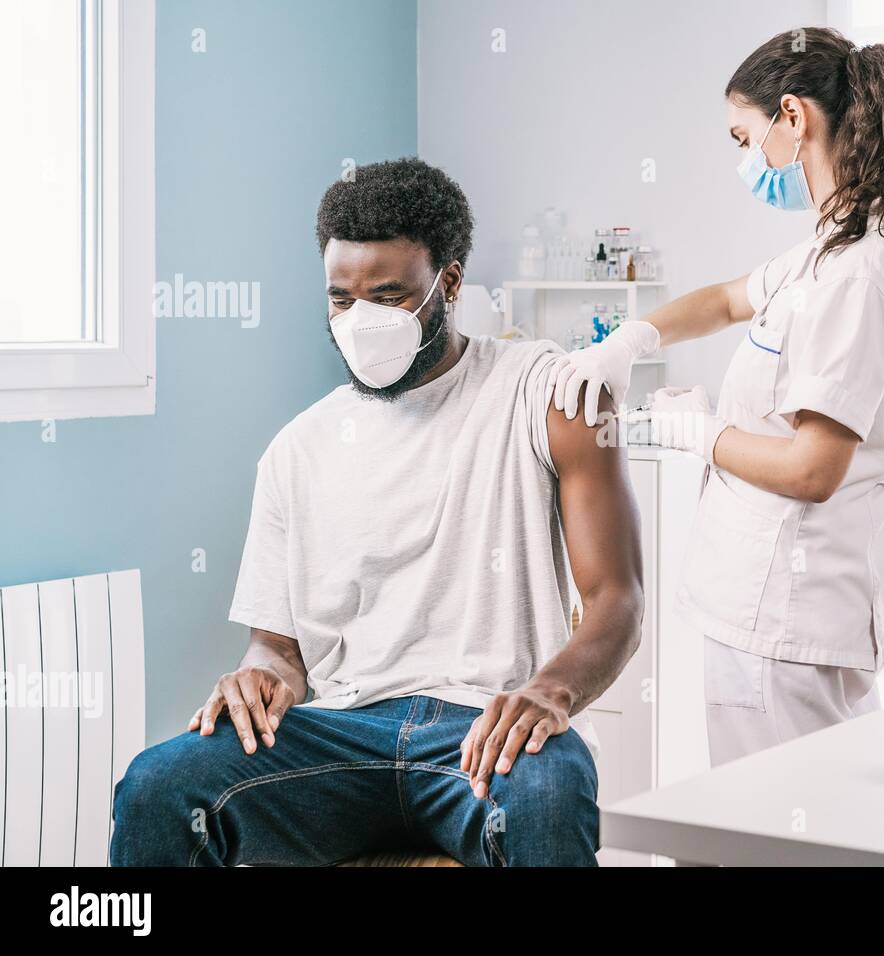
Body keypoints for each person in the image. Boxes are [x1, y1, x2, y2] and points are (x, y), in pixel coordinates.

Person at [110, 158, 644, 866]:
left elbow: (618, 600)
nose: (361, 322)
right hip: (338, 735)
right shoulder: (294, 452)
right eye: (341, 299)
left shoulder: (544, 396)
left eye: (389, 297)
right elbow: (280, 648)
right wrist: (261, 676)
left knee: (551, 791)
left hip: (486, 728)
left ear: (448, 283)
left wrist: (550, 692)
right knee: (156, 786)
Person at [550, 28, 884, 766]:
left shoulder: (859, 272)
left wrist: (697, 433)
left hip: (786, 621)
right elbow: (728, 300)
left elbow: (814, 469)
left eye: (746, 136)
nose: (747, 159)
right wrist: (631, 340)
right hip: (776, 612)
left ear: (793, 118)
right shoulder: (831, 244)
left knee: (779, 829)